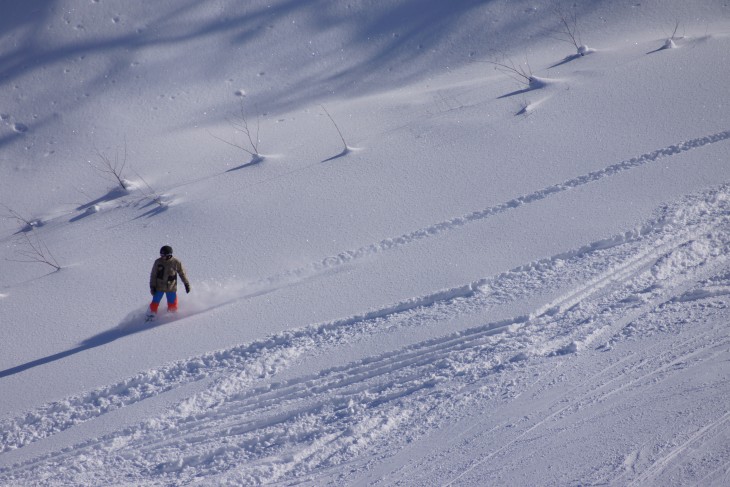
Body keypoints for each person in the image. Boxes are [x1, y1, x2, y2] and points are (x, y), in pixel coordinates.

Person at [148, 245, 190, 318]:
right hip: (159, 287)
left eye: (163, 255)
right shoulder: (158, 262)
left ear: (169, 255)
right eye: (161, 255)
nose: (162, 257)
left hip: (171, 288)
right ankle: (151, 315)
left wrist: (186, 284)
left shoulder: (176, 262)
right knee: (155, 302)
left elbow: (182, 273)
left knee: (172, 303)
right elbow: (153, 275)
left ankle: (171, 316)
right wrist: (152, 286)